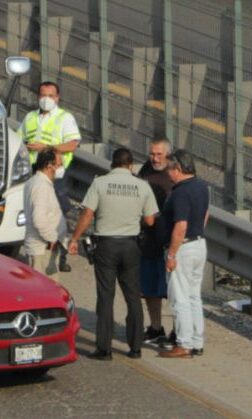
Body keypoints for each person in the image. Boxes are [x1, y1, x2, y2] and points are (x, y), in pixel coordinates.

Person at [68, 147, 157, 360]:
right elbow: (150, 220)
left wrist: (74, 239)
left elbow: (87, 214)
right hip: (131, 245)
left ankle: (104, 349)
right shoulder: (142, 186)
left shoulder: (100, 183)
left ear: (112, 164)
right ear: (131, 165)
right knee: (133, 296)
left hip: (106, 245)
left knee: (106, 296)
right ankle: (135, 347)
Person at [19, 81, 80, 271]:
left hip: (57, 174)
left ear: (57, 98)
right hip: (34, 172)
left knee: (56, 213)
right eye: (43, 95)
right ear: (38, 96)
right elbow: (20, 139)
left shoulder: (64, 118)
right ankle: (37, 249)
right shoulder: (30, 117)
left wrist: (46, 148)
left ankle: (60, 254)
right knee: (34, 212)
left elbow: (72, 145)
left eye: (51, 95)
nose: (46, 99)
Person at [158, 150, 210, 359]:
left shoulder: (180, 192)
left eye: (169, 168)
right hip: (199, 244)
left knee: (179, 297)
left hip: (183, 248)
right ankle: (197, 341)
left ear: (178, 169)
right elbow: (206, 213)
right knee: (193, 296)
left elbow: (180, 225)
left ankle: (184, 343)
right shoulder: (201, 186)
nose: (167, 173)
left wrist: (172, 254)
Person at [137, 138, 174, 345]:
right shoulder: (146, 170)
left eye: (159, 154)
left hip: (168, 241)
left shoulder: (174, 174)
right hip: (148, 240)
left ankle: (178, 331)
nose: (155, 158)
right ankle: (156, 327)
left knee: (173, 291)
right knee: (149, 288)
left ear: (168, 155)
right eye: (152, 154)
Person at [21, 148, 68, 282]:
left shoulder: (36, 182)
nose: (61, 168)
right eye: (59, 164)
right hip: (42, 250)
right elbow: (39, 219)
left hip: (42, 248)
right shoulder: (41, 186)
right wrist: (52, 239)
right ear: (49, 165)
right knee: (46, 289)